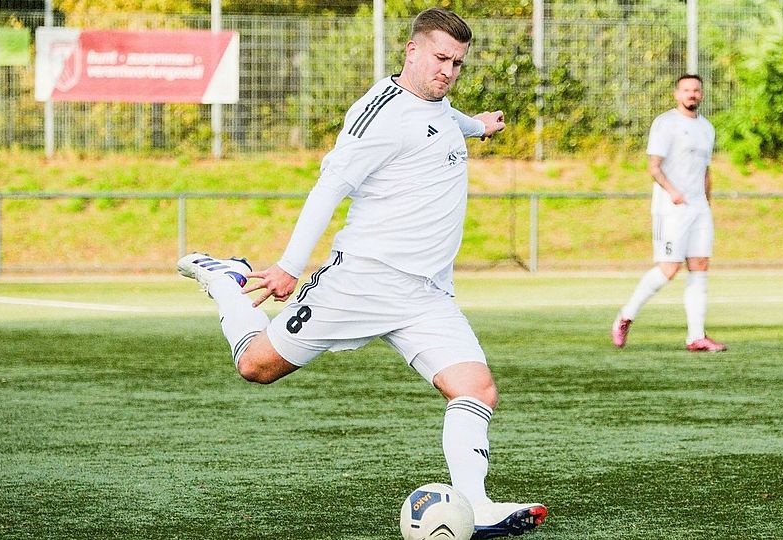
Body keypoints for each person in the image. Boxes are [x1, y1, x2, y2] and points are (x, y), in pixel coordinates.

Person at [177, 8, 546, 539]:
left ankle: (479, 505)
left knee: (475, 388)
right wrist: (289, 265)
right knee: (258, 366)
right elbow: (330, 187)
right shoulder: (380, 114)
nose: (448, 71)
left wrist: (478, 126)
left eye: (458, 63)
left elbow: (444, 119)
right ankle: (225, 282)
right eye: (440, 58)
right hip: (362, 282)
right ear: (411, 51)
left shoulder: (438, 106)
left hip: (425, 294)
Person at [611, 74, 727, 352]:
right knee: (669, 269)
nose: (692, 94)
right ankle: (625, 316)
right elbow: (654, 166)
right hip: (671, 208)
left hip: (699, 209)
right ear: (677, 94)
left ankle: (696, 336)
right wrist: (673, 191)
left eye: (696, 90)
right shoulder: (666, 124)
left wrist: (706, 204)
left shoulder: (707, 128)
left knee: (699, 266)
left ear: (702, 94)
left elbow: (706, 170)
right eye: (686, 90)